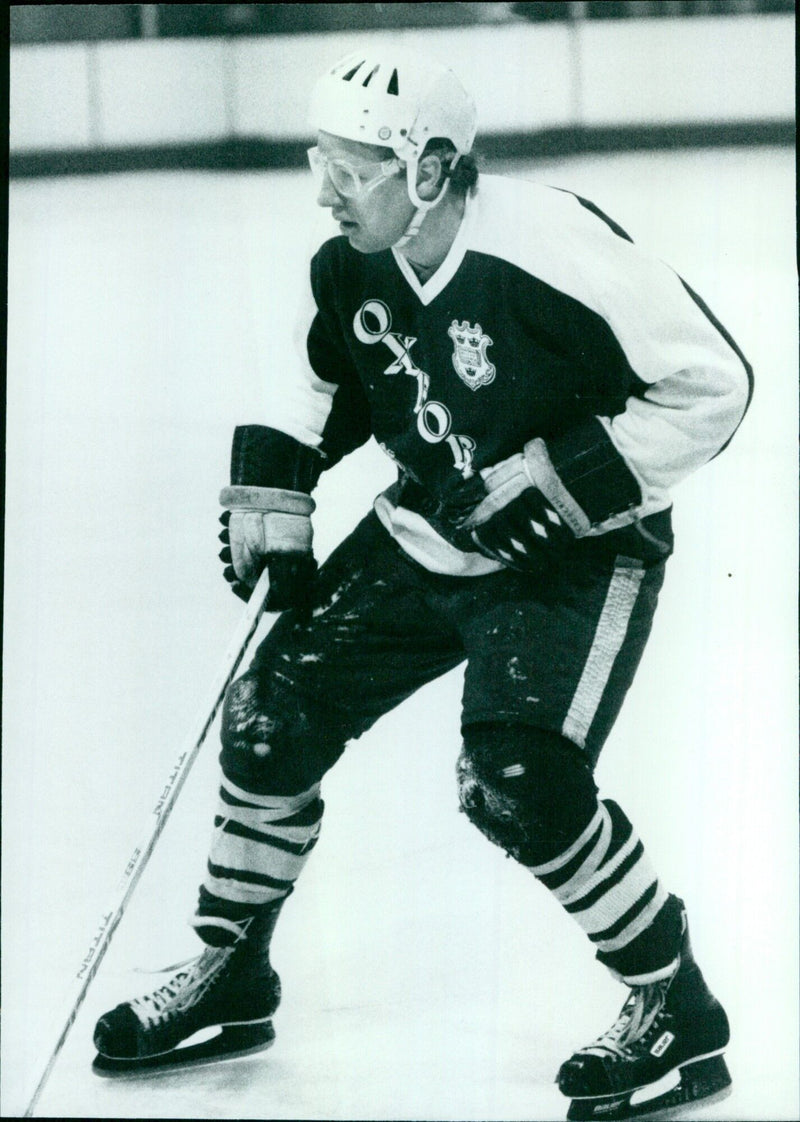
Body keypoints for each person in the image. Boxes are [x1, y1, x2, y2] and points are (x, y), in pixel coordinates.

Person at [93, 48, 752, 1120]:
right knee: (269, 718)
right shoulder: (349, 262)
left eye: (349, 168)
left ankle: (673, 1003)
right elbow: (325, 373)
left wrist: (560, 474)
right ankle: (231, 968)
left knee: (516, 779)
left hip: (576, 553)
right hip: (426, 527)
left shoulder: (549, 247)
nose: (323, 189)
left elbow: (712, 384)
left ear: (431, 170)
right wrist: (275, 480)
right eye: (320, 162)